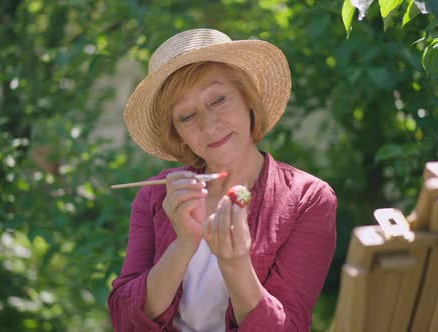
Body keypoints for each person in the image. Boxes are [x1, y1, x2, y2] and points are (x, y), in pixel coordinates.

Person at [107, 28, 337, 332]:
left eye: (217, 99)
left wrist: (235, 262)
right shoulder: (156, 197)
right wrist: (184, 243)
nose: (209, 123)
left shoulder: (307, 198)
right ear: (179, 135)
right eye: (186, 117)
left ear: (247, 98)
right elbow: (125, 319)